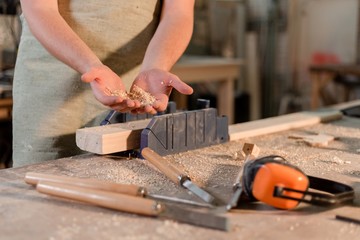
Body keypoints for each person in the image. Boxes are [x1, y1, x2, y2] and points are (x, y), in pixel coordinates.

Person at [13, 0, 195, 167]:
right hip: (53, 83)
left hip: (130, 88)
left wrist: (155, 66)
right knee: (45, 179)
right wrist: (90, 65)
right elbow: (39, 8)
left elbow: (178, 13)